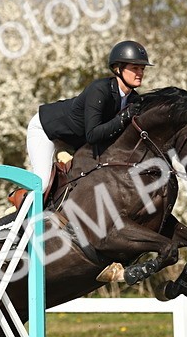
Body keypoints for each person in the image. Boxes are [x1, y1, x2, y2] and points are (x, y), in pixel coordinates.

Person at [9, 40, 153, 212]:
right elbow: (93, 134)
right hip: (47, 129)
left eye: (142, 69)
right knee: (42, 182)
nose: (140, 73)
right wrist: (123, 117)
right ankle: (16, 213)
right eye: (135, 68)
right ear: (118, 69)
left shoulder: (134, 100)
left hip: (74, 140)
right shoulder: (100, 90)